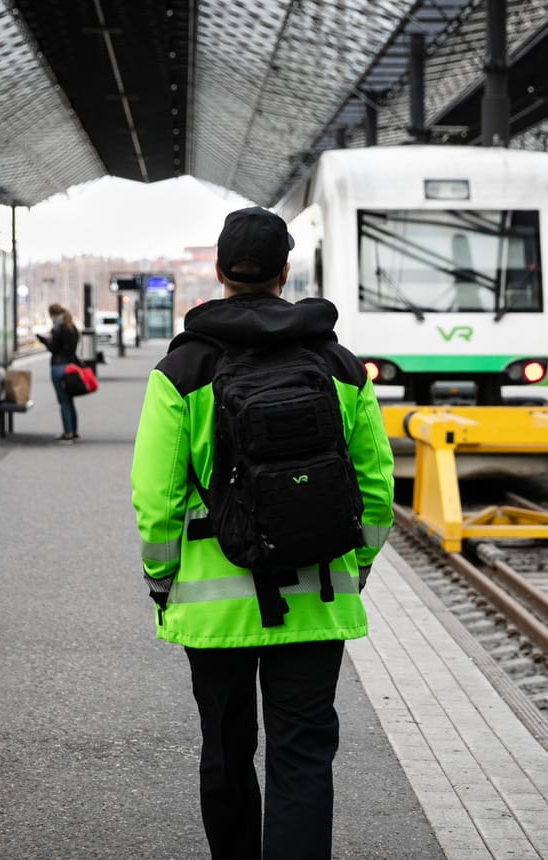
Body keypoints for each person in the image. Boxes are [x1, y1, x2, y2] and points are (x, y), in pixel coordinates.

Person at [130, 207, 395, 859]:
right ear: (285, 272)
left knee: (226, 749)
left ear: (221, 272)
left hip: (212, 606)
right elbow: (377, 486)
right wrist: (358, 563)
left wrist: (162, 577)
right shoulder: (338, 364)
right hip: (316, 596)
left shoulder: (182, 370)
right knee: (303, 753)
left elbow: (156, 496)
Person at [37, 302, 80, 442]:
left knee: (64, 401)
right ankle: (73, 430)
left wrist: (44, 340)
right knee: (70, 400)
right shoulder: (72, 327)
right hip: (71, 367)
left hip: (59, 367)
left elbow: (53, 348)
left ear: (53, 314)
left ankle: (68, 432)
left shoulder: (58, 328)